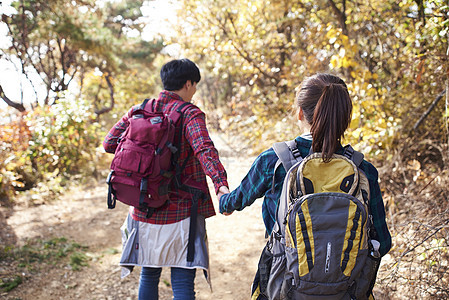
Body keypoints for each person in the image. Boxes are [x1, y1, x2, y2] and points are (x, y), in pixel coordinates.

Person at [219, 73, 391, 257]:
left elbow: (234, 202)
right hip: (348, 282)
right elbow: (383, 242)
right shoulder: (363, 170)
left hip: (286, 277)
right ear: (345, 117)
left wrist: (223, 199)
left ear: (300, 112)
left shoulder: (274, 161)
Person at [103, 58, 229, 299]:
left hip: (144, 208)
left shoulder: (140, 109)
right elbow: (204, 149)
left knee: (148, 276)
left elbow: (109, 143)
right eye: (195, 85)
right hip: (182, 213)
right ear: (189, 84)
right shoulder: (189, 113)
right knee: (182, 283)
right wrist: (220, 184)